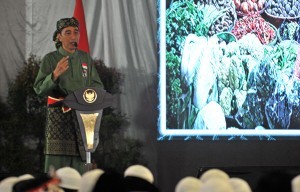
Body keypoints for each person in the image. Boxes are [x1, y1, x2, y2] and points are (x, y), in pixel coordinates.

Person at [33, 17, 103, 174]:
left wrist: (86, 98)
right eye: (68, 32)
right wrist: (55, 74)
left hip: (82, 118)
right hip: (59, 119)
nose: (73, 36)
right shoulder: (50, 59)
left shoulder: (85, 58)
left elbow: (98, 86)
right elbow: (38, 89)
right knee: (57, 171)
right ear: (59, 36)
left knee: (81, 167)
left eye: (76, 32)